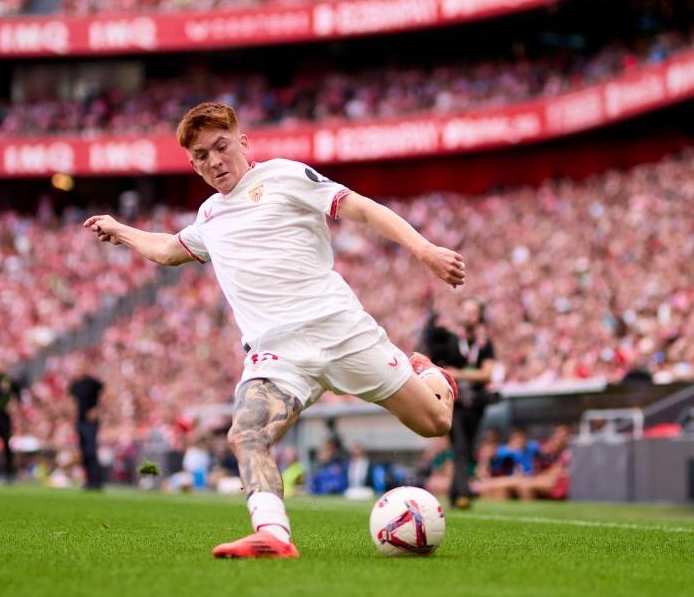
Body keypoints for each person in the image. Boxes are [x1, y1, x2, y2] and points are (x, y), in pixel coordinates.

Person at [84, 102, 463, 559]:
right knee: (246, 433)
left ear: (243, 142)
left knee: (435, 423)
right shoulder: (209, 216)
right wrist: (119, 229)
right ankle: (273, 535)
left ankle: (432, 376)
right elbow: (167, 250)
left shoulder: (284, 176)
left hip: (341, 332)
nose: (214, 161)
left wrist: (424, 250)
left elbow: (360, 209)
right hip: (277, 354)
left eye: (221, 147)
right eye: (201, 156)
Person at [422, 297, 496, 508]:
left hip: (476, 403)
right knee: (461, 446)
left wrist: (460, 373)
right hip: (455, 403)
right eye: (465, 311)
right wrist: (431, 322)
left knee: (467, 448)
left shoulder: (484, 343)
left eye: (473, 312)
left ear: (479, 317)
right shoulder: (451, 339)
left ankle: (455, 494)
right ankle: (464, 493)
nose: (468, 315)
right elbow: (430, 347)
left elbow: (488, 374)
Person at [68, 369, 104, 490]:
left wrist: (97, 410)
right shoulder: (76, 384)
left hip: (90, 422)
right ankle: (88, 481)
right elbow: (69, 399)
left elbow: (108, 393)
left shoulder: (93, 382)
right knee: (84, 452)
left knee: (91, 451)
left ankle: (96, 482)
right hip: (80, 421)